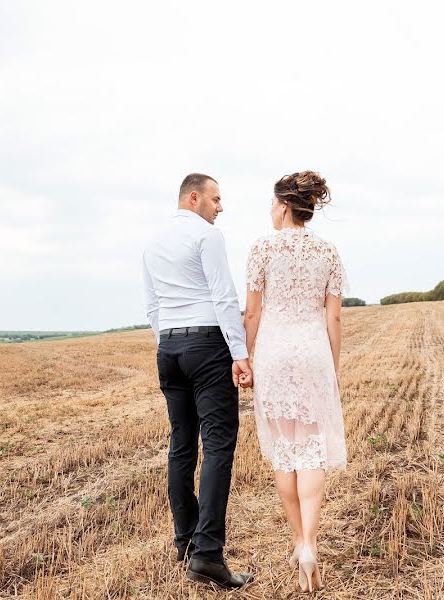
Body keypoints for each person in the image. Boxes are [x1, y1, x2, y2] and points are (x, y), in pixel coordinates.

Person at [142, 173, 254, 589]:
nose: (220, 207)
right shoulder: (208, 236)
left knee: (181, 445)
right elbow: (224, 296)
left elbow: (152, 304)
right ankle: (207, 554)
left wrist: (168, 341)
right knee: (219, 444)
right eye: (216, 198)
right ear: (194, 198)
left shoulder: (152, 241)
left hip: (169, 347)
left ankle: (185, 542)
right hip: (207, 344)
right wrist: (239, 354)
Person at [243, 170, 348, 593]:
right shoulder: (328, 252)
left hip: (274, 355)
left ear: (285, 206)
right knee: (312, 449)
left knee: (285, 452)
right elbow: (334, 316)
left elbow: (251, 314)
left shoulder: (262, 249)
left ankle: (298, 540)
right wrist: (333, 367)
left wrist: (246, 358)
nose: (270, 211)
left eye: (272, 204)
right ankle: (311, 543)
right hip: (314, 355)